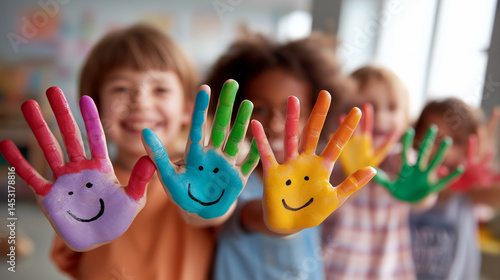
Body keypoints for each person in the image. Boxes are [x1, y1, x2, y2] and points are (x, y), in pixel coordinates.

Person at [50, 24, 216, 280]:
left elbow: (216, 217)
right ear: (96, 107)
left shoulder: (199, 176)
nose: (141, 101)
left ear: (187, 107)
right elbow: (69, 255)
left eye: (160, 89)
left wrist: (210, 203)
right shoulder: (83, 183)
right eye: (121, 89)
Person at [205, 32, 348, 279]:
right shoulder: (233, 182)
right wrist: (286, 217)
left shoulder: (314, 180)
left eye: (291, 110)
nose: (277, 123)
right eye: (260, 108)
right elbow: (258, 216)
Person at [321, 65, 419, 279]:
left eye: (392, 108)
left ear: (405, 117)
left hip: (388, 269)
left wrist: (422, 192)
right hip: (337, 268)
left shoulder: (400, 159)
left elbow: (423, 198)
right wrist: (348, 171)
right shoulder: (330, 158)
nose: (381, 117)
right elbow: (320, 202)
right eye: (368, 108)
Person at [410, 98, 500, 280]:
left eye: (456, 141)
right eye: (434, 138)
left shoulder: (470, 193)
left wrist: (481, 178)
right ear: (415, 138)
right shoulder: (403, 186)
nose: (444, 150)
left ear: (472, 147)